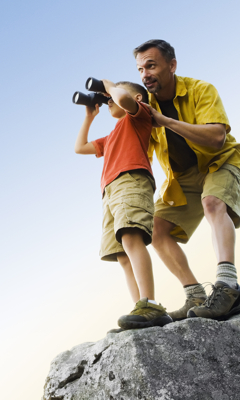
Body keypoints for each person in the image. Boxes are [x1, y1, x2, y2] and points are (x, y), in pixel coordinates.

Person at [133, 39, 240, 321]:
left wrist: (167, 121)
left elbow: (216, 137)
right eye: (139, 69)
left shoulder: (201, 89)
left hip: (219, 162)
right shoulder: (145, 104)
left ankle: (228, 287)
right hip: (182, 177)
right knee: (156, 230)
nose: (145, 74)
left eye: (151, 65)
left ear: (172, 65)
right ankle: (195, 294)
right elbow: (122, 97)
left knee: (212, 204)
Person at [74, 79, 172, 331]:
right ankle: (141, 309)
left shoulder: (138, 118)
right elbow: (80, 148)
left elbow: (125, 100)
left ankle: (151, 303)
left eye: (112, 96)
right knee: (121, 254)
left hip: (132, 180)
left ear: (137, 99)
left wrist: (108, 85)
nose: (109, 100)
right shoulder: (112, 135)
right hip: (109, 191)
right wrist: (90, 115)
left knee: (130, 237)